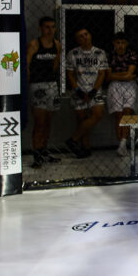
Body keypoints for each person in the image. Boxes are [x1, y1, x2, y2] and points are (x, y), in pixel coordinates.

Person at [64, 27, 108, 159]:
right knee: (82, 120)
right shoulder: (73, 53)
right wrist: (78, 90)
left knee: (97, 114)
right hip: (79, 89)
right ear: (77, 40)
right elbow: (70, 74)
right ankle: (85, 147)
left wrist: (94, 91)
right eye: (81, 36)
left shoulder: (100, 52)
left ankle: (73, 140)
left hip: (95, 89)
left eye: (86, 34)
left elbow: (102, 73)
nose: (85, 37)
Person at [26, 16, 62, 168]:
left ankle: (44, 151)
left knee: (48, 121)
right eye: (47, 27)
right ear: (40, 28)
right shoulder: (34, 44)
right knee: (39, 122)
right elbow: (26, 65)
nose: (50, 30)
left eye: (52, 27)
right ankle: (37, 155)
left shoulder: (57, 45)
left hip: (52, 84)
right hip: (37, 85)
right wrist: (30, 83)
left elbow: (55, 64)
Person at [106, 32, 138, 157]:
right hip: (115, 85)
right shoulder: (109, 55)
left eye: (123, 43)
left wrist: (117, 75)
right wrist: (124, 75)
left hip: (130, 85)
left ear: (127, 44)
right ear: (114, 43)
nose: (120, 45)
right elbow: (108, 76)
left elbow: (131, 73)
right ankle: (121, 144)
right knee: (118, 115)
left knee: (127, 112)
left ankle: (123, 143)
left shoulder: (131, 54)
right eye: (118, 43)